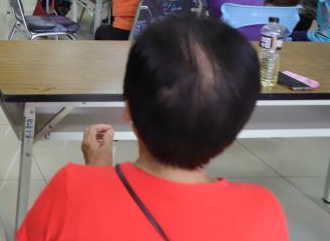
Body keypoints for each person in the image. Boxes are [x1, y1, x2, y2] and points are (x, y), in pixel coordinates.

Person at [17, 16, 287, 241]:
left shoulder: (72, 188)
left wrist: (97, 174)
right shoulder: (263, 212)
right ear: (237, 128)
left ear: (128, 109)